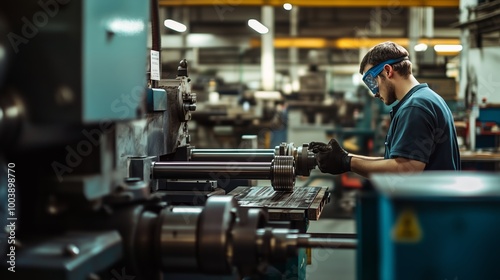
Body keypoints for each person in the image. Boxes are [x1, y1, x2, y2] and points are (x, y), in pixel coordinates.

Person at [309, 41, 461, 177]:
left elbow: (406, 169)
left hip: (427, 207)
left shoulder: (415, 107)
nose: (374, 93)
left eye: (373, 83)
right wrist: (345, 157)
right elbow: (396, 161)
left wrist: (347, 162)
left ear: (388, 71)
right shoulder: (426, 98)